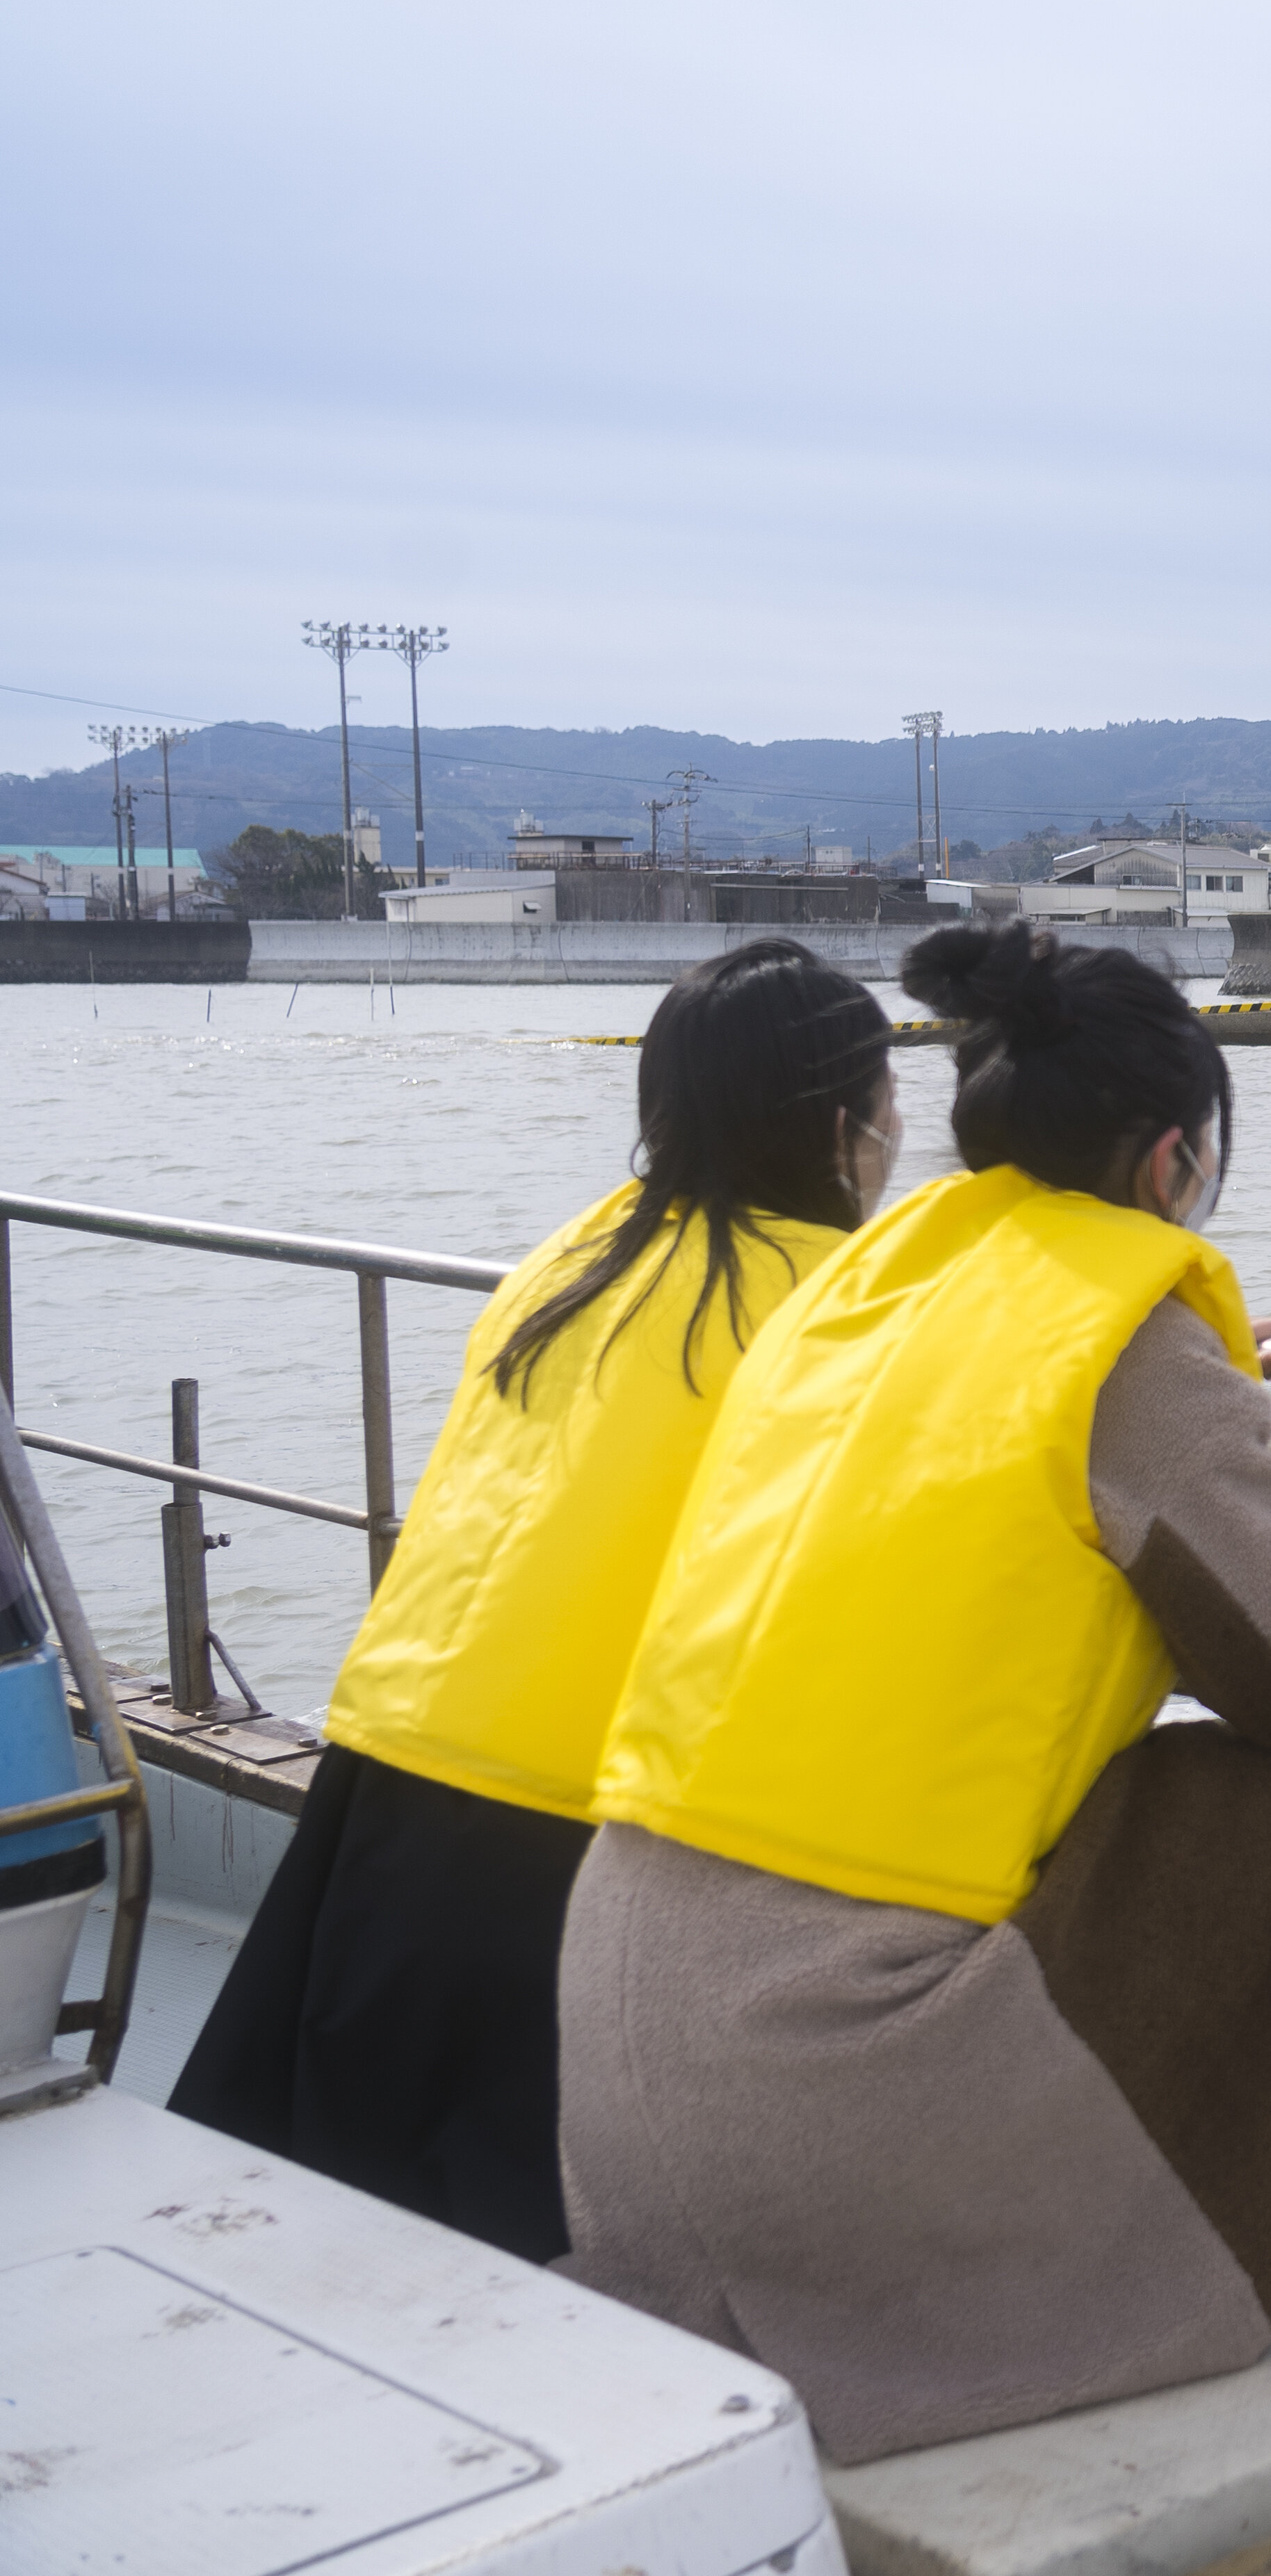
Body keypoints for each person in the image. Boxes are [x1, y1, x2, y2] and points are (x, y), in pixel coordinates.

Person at [556, 917, 1271, 2462]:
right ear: (1176, 1158)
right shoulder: (1134, 1343)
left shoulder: (859, 1288)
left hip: (622, 2057)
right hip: (816, 2114)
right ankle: (1230, 2205)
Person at [170, 940, 900, 2258]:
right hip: (577, 1822)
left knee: (347, 2206)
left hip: (393, 1763)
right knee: (538, 2236)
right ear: (845, 1124)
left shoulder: (576, 1256)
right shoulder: (836, 1300)